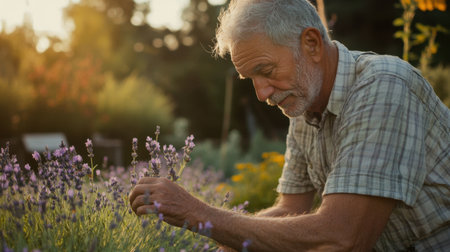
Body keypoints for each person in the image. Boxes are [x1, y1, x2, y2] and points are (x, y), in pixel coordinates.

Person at [129, 0, 450, 251]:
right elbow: (289, 209)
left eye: (266, 70)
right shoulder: (304, 104)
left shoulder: (384, 87)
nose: (261, 93)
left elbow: (343, 238)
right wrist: (223, 243)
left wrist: (199, 215)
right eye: (250, 79)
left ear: (311, 43)